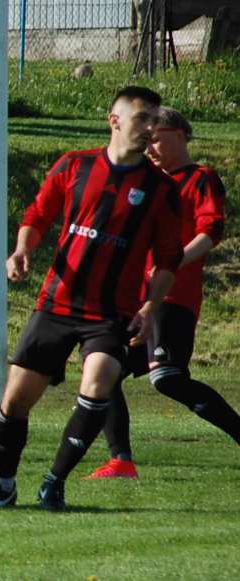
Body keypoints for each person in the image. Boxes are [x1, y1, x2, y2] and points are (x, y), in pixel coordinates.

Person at [0, 86, 184, 510]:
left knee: (100, 379)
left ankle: (54, 482)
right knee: (13, 403)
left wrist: (148, 308)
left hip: (110, 314)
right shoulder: (75, 166)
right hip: (57, 305)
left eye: (154, 121)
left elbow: (167, 260)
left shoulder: (161, 191)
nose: (150, 128)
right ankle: (4, 484)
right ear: (115, 121)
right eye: (142, 119)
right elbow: (38, 214)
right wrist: (22, 250)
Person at [88, 106, 240, 479]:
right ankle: (120, 461)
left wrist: (173, 263)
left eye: (155, 137)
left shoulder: (200, 179)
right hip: (131, 301)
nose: (149, 146)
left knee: (168, 378)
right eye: (145, 139)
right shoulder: (144, 186)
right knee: (100, 372)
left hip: (172, 298)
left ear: (181, 134)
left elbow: (210, 233)